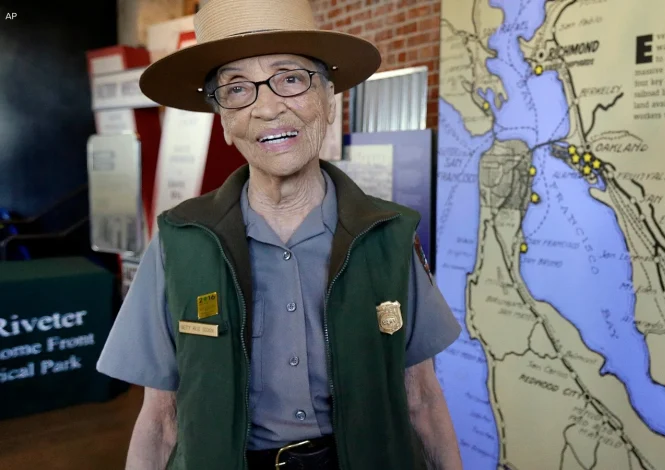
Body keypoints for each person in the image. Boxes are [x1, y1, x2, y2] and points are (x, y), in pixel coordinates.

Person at [96, 0, 464, 469]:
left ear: (328, 102)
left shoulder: (388, 238)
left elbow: (423, 401)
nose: (268, 108)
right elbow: (160, 419)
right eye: (236, 89)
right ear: (225, 122)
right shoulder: (179, 243)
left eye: (290, 78)